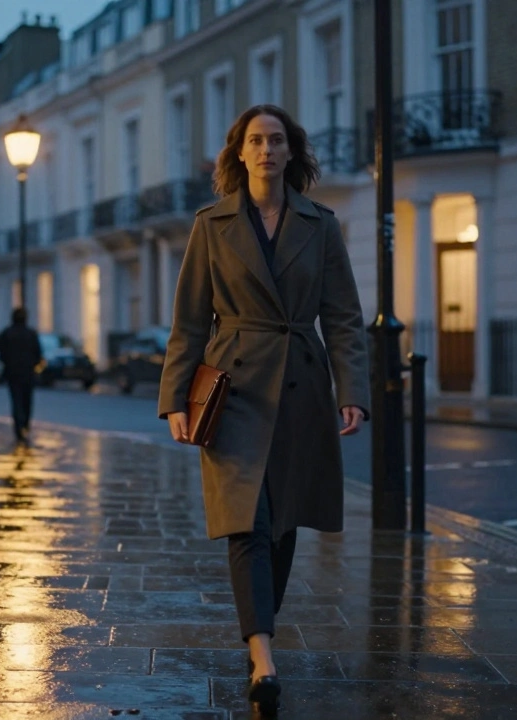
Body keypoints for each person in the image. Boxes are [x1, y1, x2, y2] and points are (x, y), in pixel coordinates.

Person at [157, 105, 370, 713]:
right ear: (240, 153)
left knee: (282, 524)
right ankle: (263, 657)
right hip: (234, 388)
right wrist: (175, 398)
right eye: (256, 140)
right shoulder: (212, 224)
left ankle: (259, 629)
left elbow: (345, 317)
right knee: (246, 520)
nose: (267, 150)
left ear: (290, 152)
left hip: (302, 385)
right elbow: (190, 320)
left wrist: (351, 389)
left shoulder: (320, 224)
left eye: (277, 140)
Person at [0, 307, 42, 447]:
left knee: (16, 401)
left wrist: (8, 363)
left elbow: (1, 353)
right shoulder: (31, 334)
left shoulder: (7, 333)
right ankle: (25, 425)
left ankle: (19, 428)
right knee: (27, 400)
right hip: (27, 372)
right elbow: (38, 353)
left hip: (13, 373)